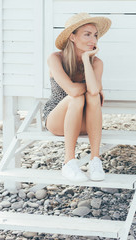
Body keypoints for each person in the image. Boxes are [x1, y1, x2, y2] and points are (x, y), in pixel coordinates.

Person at [42, 13, 111, 182]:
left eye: (95, 35)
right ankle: (69, 162)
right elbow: (73, 91)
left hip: (84, 122)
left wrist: (87, 60)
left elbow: (94, 92)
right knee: (78, 98)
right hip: (56, 120)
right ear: (72, 37)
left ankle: (95, 160)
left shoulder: (97, 63)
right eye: (87, 34)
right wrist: (88, 88)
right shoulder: (55, 58)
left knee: (92, 98)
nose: (93, 40)